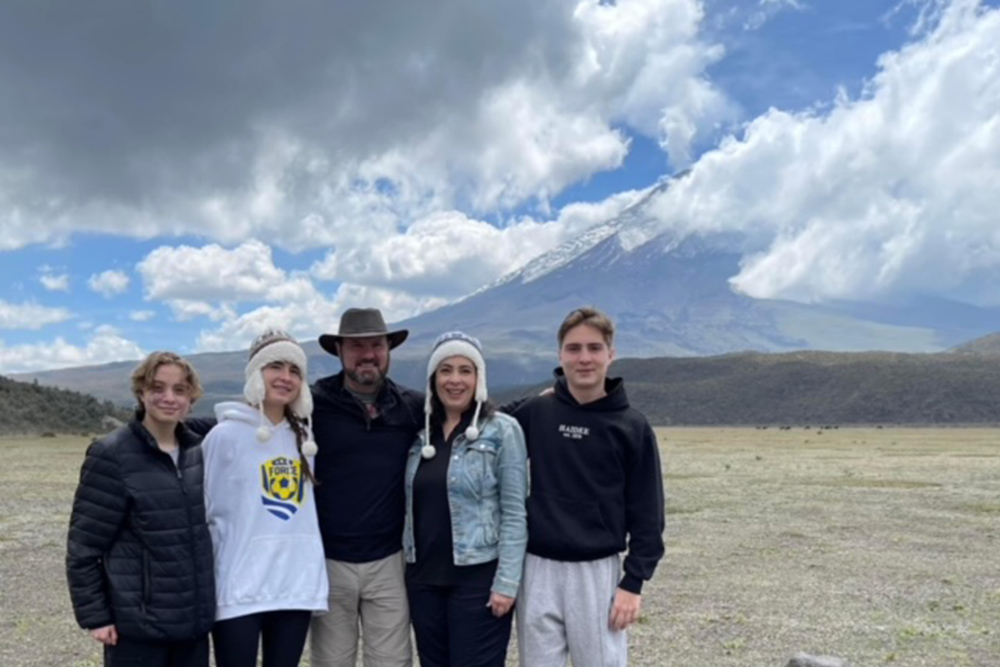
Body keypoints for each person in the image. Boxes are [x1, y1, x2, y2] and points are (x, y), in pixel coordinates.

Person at [508, 307, 665, 667]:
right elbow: (489, 426)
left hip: (596, 571)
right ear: (560, 355)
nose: (584, 358)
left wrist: (633, 583)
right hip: (537, 568)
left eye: (594, 348)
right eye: (573, 349)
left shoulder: (631, 426)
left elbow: (647, 512)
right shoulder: (538, 412)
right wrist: (536, 397)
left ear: (611, 354)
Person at [66, 351, 215, 667]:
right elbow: (84, 547)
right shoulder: (111, 454)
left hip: (193, 626)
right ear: (141, 393)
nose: (168, 398)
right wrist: (96, 617)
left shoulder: (198, 452)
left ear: (191, 397)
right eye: (157, 388)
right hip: (137, 629)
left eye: (179, 390)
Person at [201, 330, 329, 667]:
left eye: (295, 370)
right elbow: (206, 510)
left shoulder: (305, 438)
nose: (285, 378)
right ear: (256, 372)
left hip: (293, 585)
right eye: (275, 366)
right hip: (238, 587)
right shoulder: (223, 436)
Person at [403, 331, 528, 667]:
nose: (454, 380)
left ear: (479, 379)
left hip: (479, 580)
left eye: (465, 370)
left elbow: (515, 513)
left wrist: (507, 583)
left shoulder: (502, 431)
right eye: (445, 370)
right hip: (423, 580)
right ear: (433, 379)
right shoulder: (418, 435)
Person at [309, 308, 424, 667]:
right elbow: (256, 418)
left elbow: (466, 416)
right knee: (332, 662)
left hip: (389, 560)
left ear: (389, 350)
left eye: (377, 344)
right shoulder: (312, 403)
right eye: (357, 346)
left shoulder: (413, 406)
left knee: (392, 661)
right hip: (328, 561)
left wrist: (541, 402)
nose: (368, 354)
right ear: (340, 351)